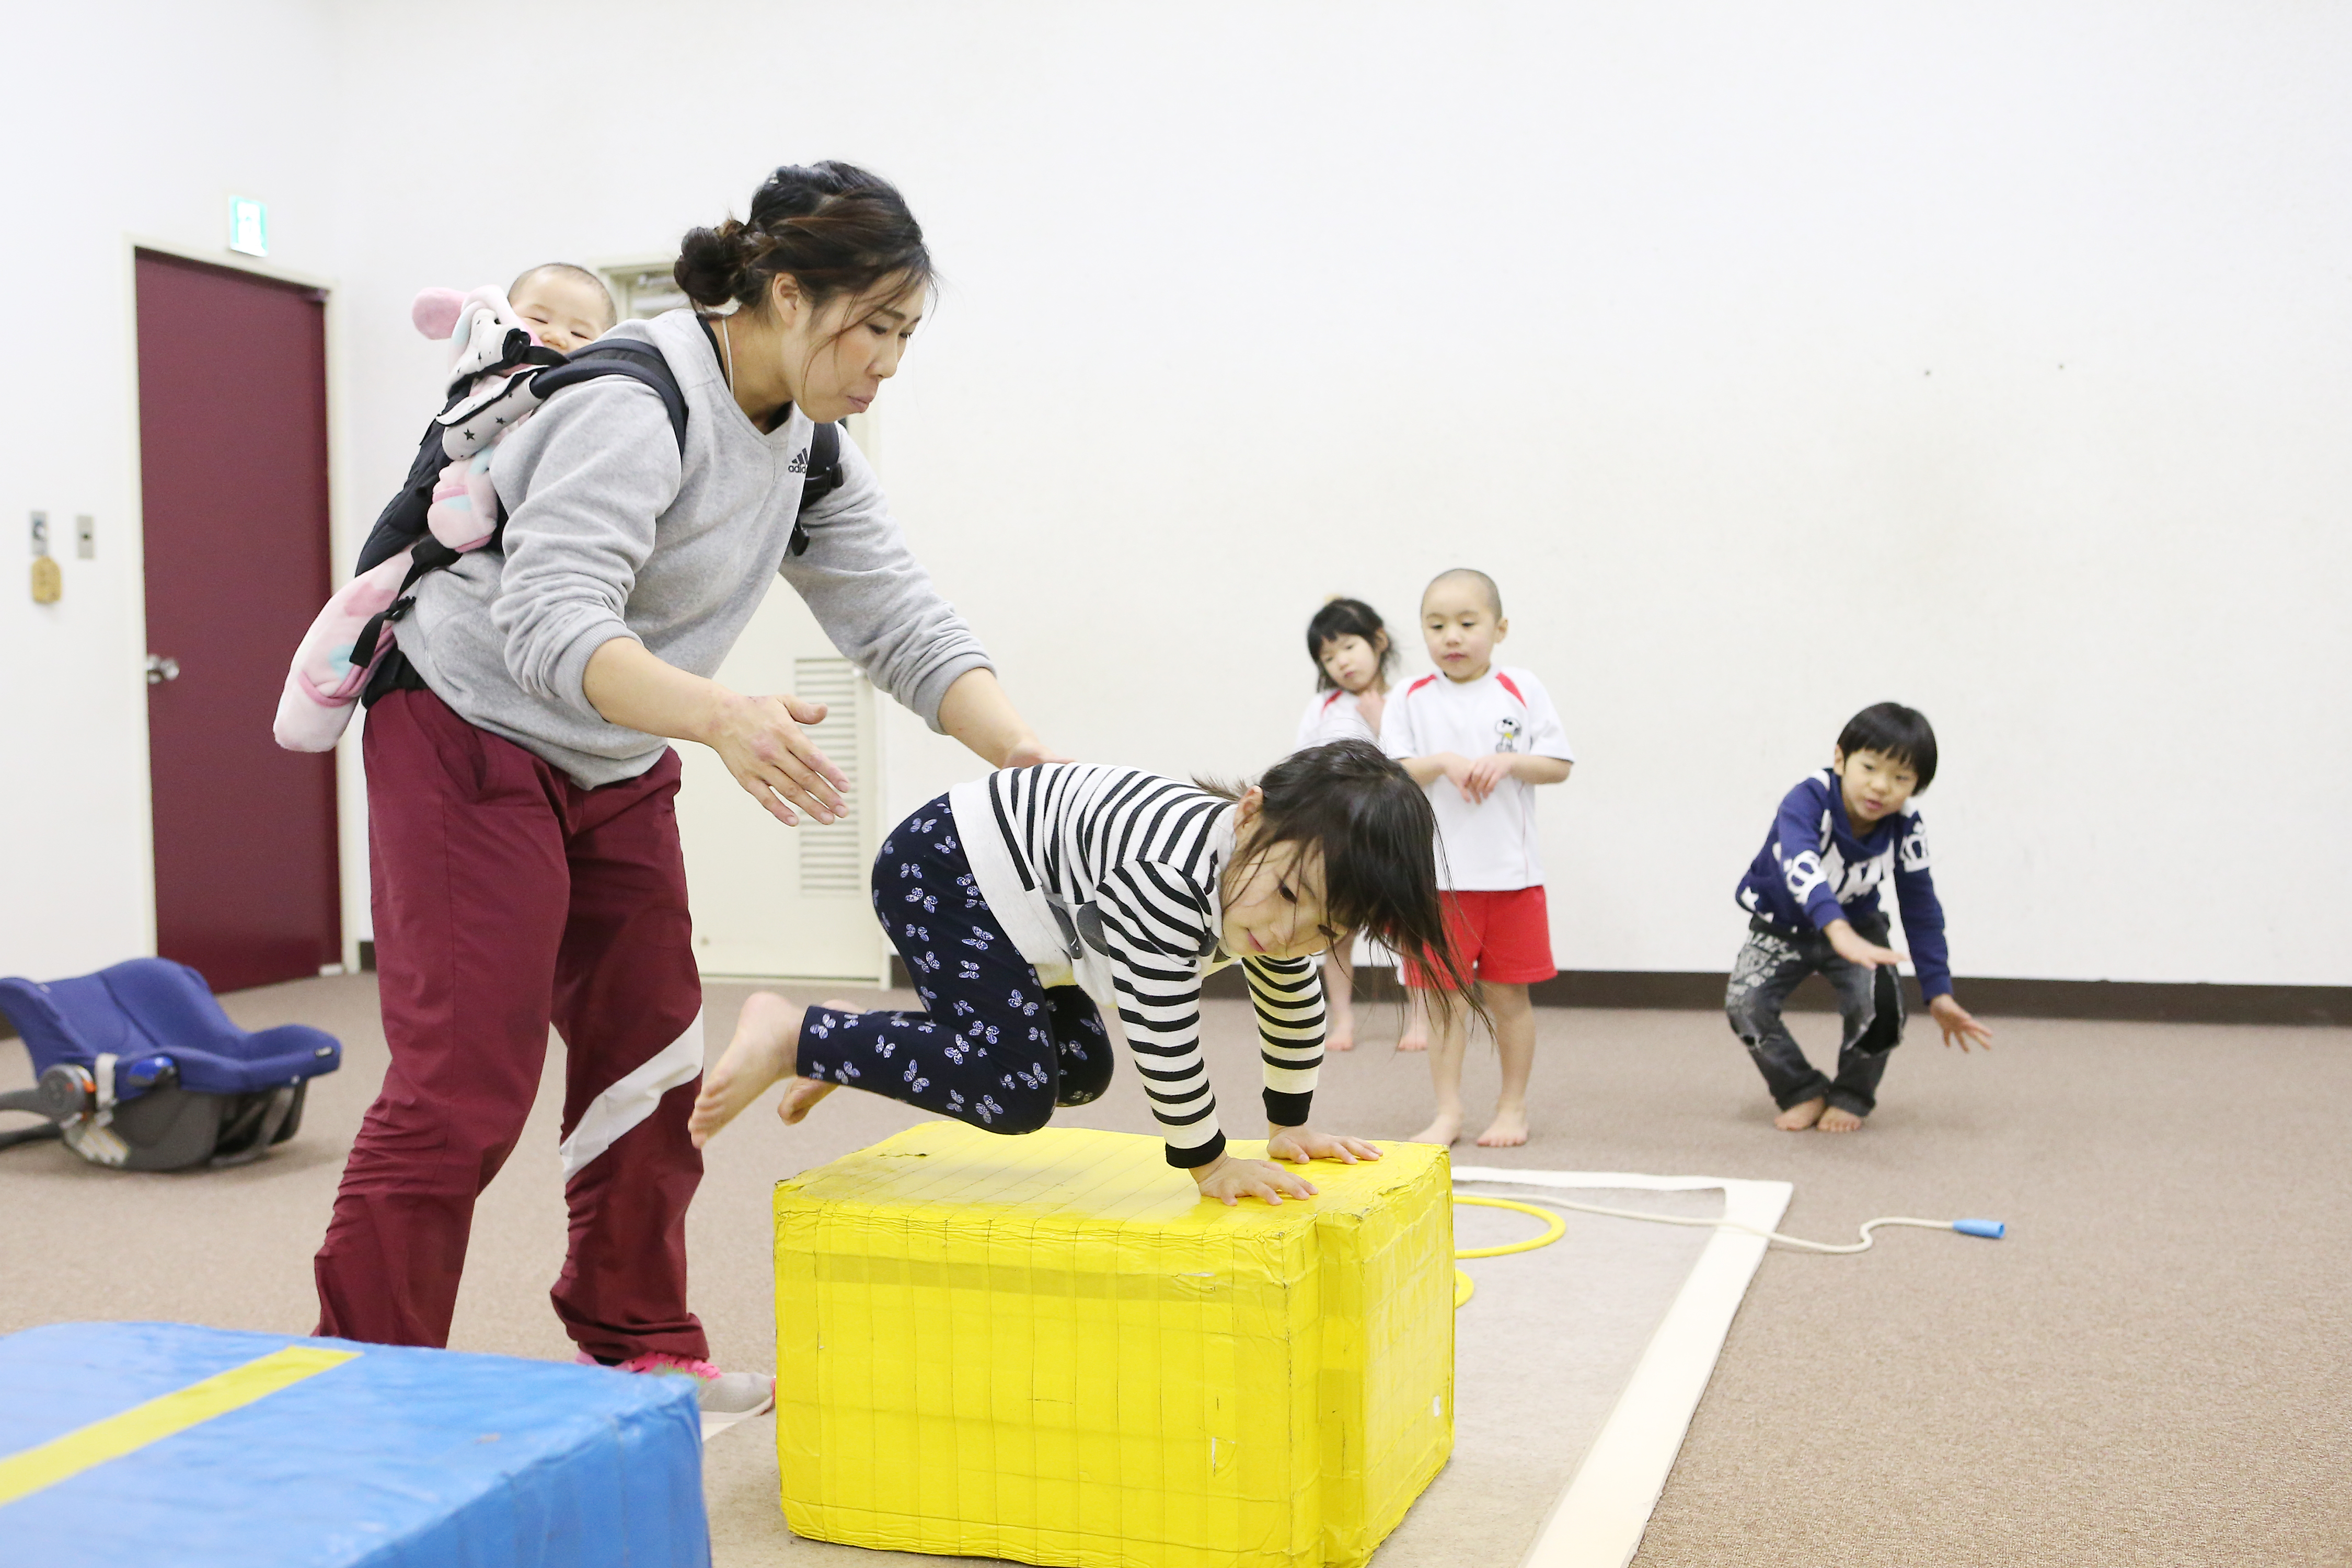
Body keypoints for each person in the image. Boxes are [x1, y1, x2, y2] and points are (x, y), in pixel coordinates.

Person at [311, 163, 1058, 1417]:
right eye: (869, 326)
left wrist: (1038, 769)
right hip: (464, 725)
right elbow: (552, 623)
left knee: (650, 1053)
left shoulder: (809, 449)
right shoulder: (632, 399)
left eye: (903, 335)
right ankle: (363, 1377)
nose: (885, 360)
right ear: (779, 294)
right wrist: (719, 716)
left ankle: (638, 1336)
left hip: (605, 751)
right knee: (464, 1080)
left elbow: (903, 623)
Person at [687, 741, 1480, 1205]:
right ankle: (797, 1034)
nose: (1285, 936)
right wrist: (1209, 1162)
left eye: (1324, 932)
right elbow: (1162, 1029)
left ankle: (860, 1038)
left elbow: (1292, 1003)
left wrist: (1290, 1126)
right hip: (945, 870)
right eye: (1287, 898)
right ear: (1248, 813)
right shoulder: (1167, 877)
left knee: (1077, 1071)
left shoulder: (1265, 894)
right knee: (1013, 1091)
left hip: (1037, 919)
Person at [1725, 702, 1993, 1132]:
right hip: (1783, 922)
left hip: (1859, 926)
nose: (1881, 786)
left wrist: (1938, 990)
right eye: (1869, 767)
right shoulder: (1807, 800)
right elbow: (1801, 863)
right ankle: (1800, 1089)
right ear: (1840, 760)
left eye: (1901, 778)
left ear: (1917, 786)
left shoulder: (1906, 827)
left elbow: (1921, 907)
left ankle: (1852, 1093)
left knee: (1883, 1010)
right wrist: (1835, 928)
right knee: (1746, 1004)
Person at [1381, 568, 1573, 1148]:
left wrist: (1509, 762)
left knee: (1510, 998)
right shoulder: (1410, 697)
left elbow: (1559, 764)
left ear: (1500, 628)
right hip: (1435, 882)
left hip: (1512, 879)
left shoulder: (1522, 689)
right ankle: (1448, 1112)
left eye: (1468, 623)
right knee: (1442, 1000)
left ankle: (1512, 1107)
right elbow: (1390, 772)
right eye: (1437, 626)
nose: (1452, 637)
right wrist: (1440, 761)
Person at [1292, 597, 1398, 1052]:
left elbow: (1411, 767)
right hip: (1335, 836)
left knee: (1404, 930)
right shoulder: (1323, 705)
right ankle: (1342, 1020)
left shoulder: (1408, 698)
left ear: (1379, 641)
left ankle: (1418, 1019)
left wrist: (1382, 723)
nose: (1341, 663)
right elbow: (1302, 760)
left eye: (1349, 647)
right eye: (1329, 657)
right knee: (1336, 932)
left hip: (1388, 834)